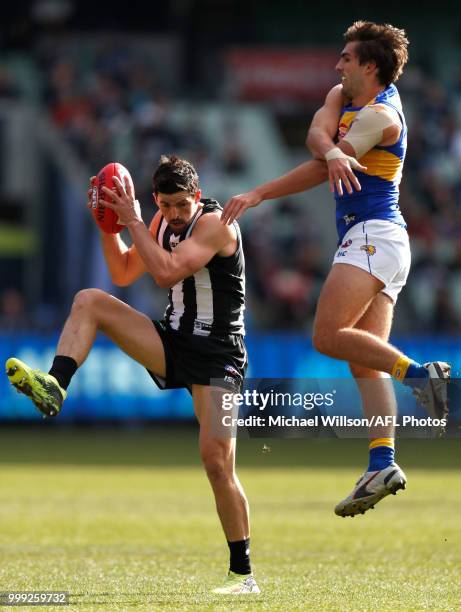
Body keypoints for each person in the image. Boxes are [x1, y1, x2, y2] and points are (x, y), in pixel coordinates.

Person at [221, 21, 451, 517]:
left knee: (327, 336)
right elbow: (315, 138)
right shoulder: (340, 95)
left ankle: (420, 375)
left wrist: (260, 191)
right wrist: (329, 150)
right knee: (364, 359)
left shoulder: (381, 117)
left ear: (370, 66)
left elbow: (321, 160)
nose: (337, 64)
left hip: (374, 236)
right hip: (381, 242)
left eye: (347, 58)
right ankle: (382, 461)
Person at [5, 155, 260, 594]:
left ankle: (243, 574)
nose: (176, 215)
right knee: (89, 300)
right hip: (174, 341)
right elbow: (123, 270)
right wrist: (109, 226)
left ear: (196, 198)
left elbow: (165, 272)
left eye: (183, 205)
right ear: (157, 201)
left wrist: (134, 223)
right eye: (167, 205)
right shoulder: (159, 222)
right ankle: (55, 385)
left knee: (217, 462)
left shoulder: (215, 225)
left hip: (220, 355)